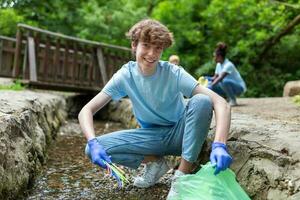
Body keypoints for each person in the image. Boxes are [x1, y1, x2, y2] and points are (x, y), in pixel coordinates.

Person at [78, 19, 232, 199]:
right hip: (152, 137)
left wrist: (220, 144)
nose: (151, 54)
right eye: (146, 45)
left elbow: (221, 103)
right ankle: (155, 163)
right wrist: (93, 142)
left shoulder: (173, 73)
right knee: (91, 149)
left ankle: (181, 178)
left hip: (181, 134)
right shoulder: (124, 76)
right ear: (134, 45)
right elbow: (86, 111)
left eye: (158, 48)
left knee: (202, 101)